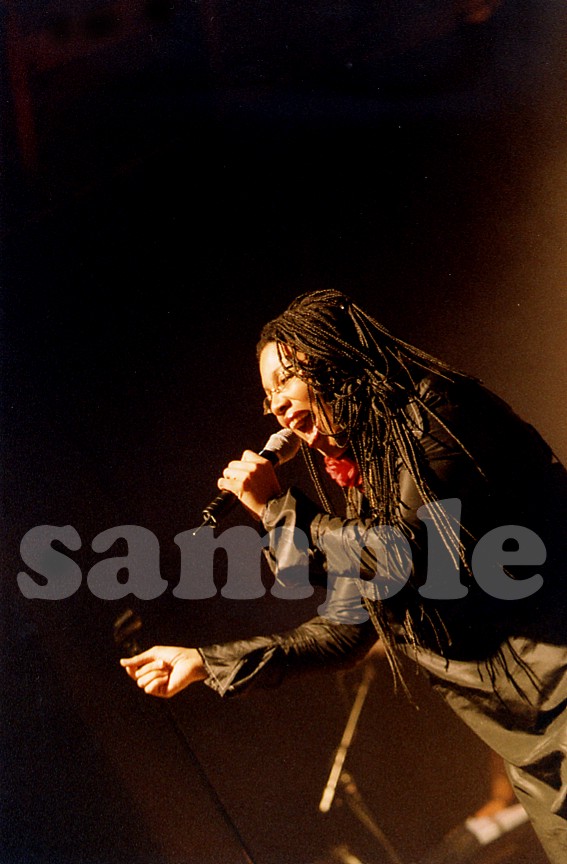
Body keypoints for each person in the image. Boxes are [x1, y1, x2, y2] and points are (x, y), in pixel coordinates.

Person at [121, 289, 567, 863]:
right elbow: (347, 629)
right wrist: (207, 660)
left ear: (333, 360)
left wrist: (279, 509)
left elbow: (404, 555)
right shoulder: (371, 486)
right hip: (532, 742)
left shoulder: (439, 417)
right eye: (267, 397)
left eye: (284, 381)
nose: (277, 407)